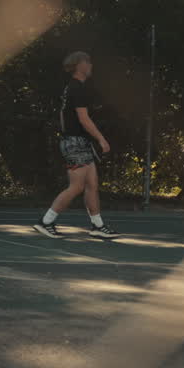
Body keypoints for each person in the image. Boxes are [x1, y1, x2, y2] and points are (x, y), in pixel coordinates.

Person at [33, 51, 119, 239]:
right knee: (77, 186)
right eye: (88, 62)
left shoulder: (73, 87)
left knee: (92, 185)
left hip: (78, 142)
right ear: (79, 65)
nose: (91, 66)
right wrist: (101, 138)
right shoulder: (77, 88)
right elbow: (83, 118)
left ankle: (97, 226)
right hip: (75, 142)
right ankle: (46, 222)